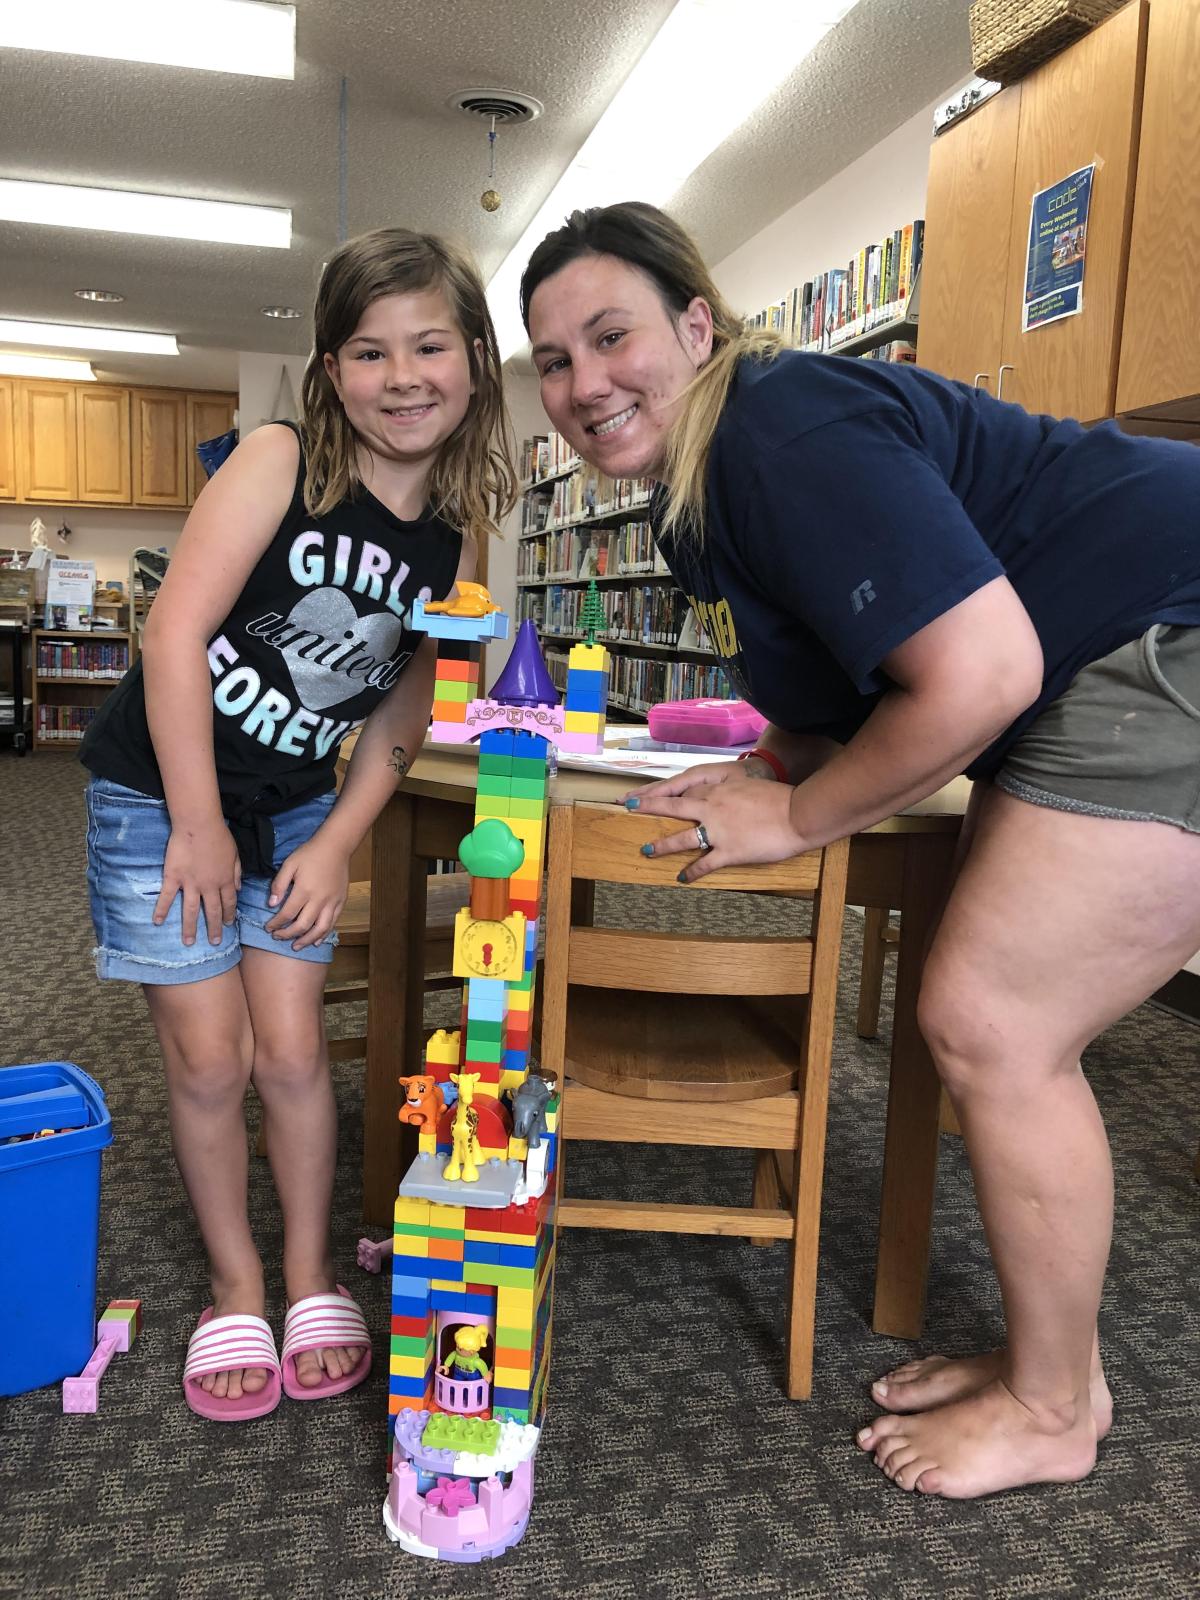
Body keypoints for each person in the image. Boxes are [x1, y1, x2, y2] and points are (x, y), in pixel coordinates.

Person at [519, 201, 1200, 1499]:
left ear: (697, 325)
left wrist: (798, 814)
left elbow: (979, 669)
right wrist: (779, 761)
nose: (583, 383)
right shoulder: (699, 492)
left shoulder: (773, 421)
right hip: (1110, 650)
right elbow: (848, 681)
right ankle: (1048, 1366)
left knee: (994, 1025)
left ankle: (1057, 1408)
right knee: (990, 1019)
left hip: (1166, 631)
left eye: (611, 337)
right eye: (553, 361)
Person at [80, 227, 515, 1420]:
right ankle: (235, 1288)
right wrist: (196, 820)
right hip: (157, 796)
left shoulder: (456, 528)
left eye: (431, 344)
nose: (404, 374)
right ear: (331, 370)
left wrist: (337, 839)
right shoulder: (280, 460)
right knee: (211, 1060)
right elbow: (173, 636)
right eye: (369, 351)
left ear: (475, 359)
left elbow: (409, 696)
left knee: (292, 1054)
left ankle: (311, 1274)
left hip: (296, 809)